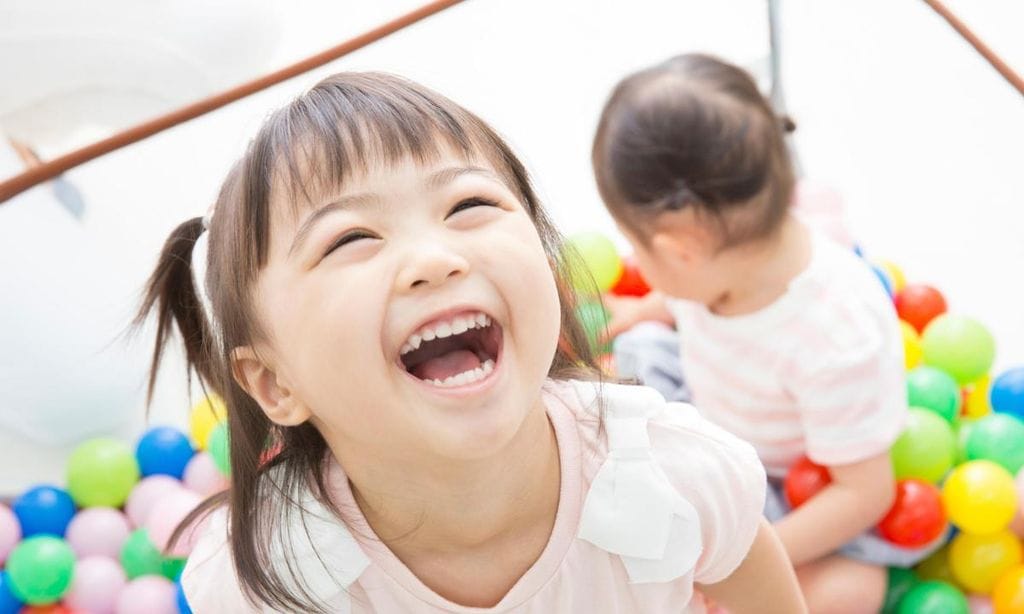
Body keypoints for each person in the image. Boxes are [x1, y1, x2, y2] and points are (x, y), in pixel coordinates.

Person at [139, 71, 805, 613]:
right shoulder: (271, 582)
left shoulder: (672, 479)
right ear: (275, 384)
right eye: (349, 239)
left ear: (550, 268)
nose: (434, 257)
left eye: (469, 206)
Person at [592, 53, 935, 613]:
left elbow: (865, 493)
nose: (639, 262)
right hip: (714, 408)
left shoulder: (834, 335)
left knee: (851, 592)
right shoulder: (720, 261)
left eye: (637, 244)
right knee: (636, 353)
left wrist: (746, 557)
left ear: (682, 249)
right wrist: (644, 310)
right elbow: (682, 296)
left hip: (797, 484)